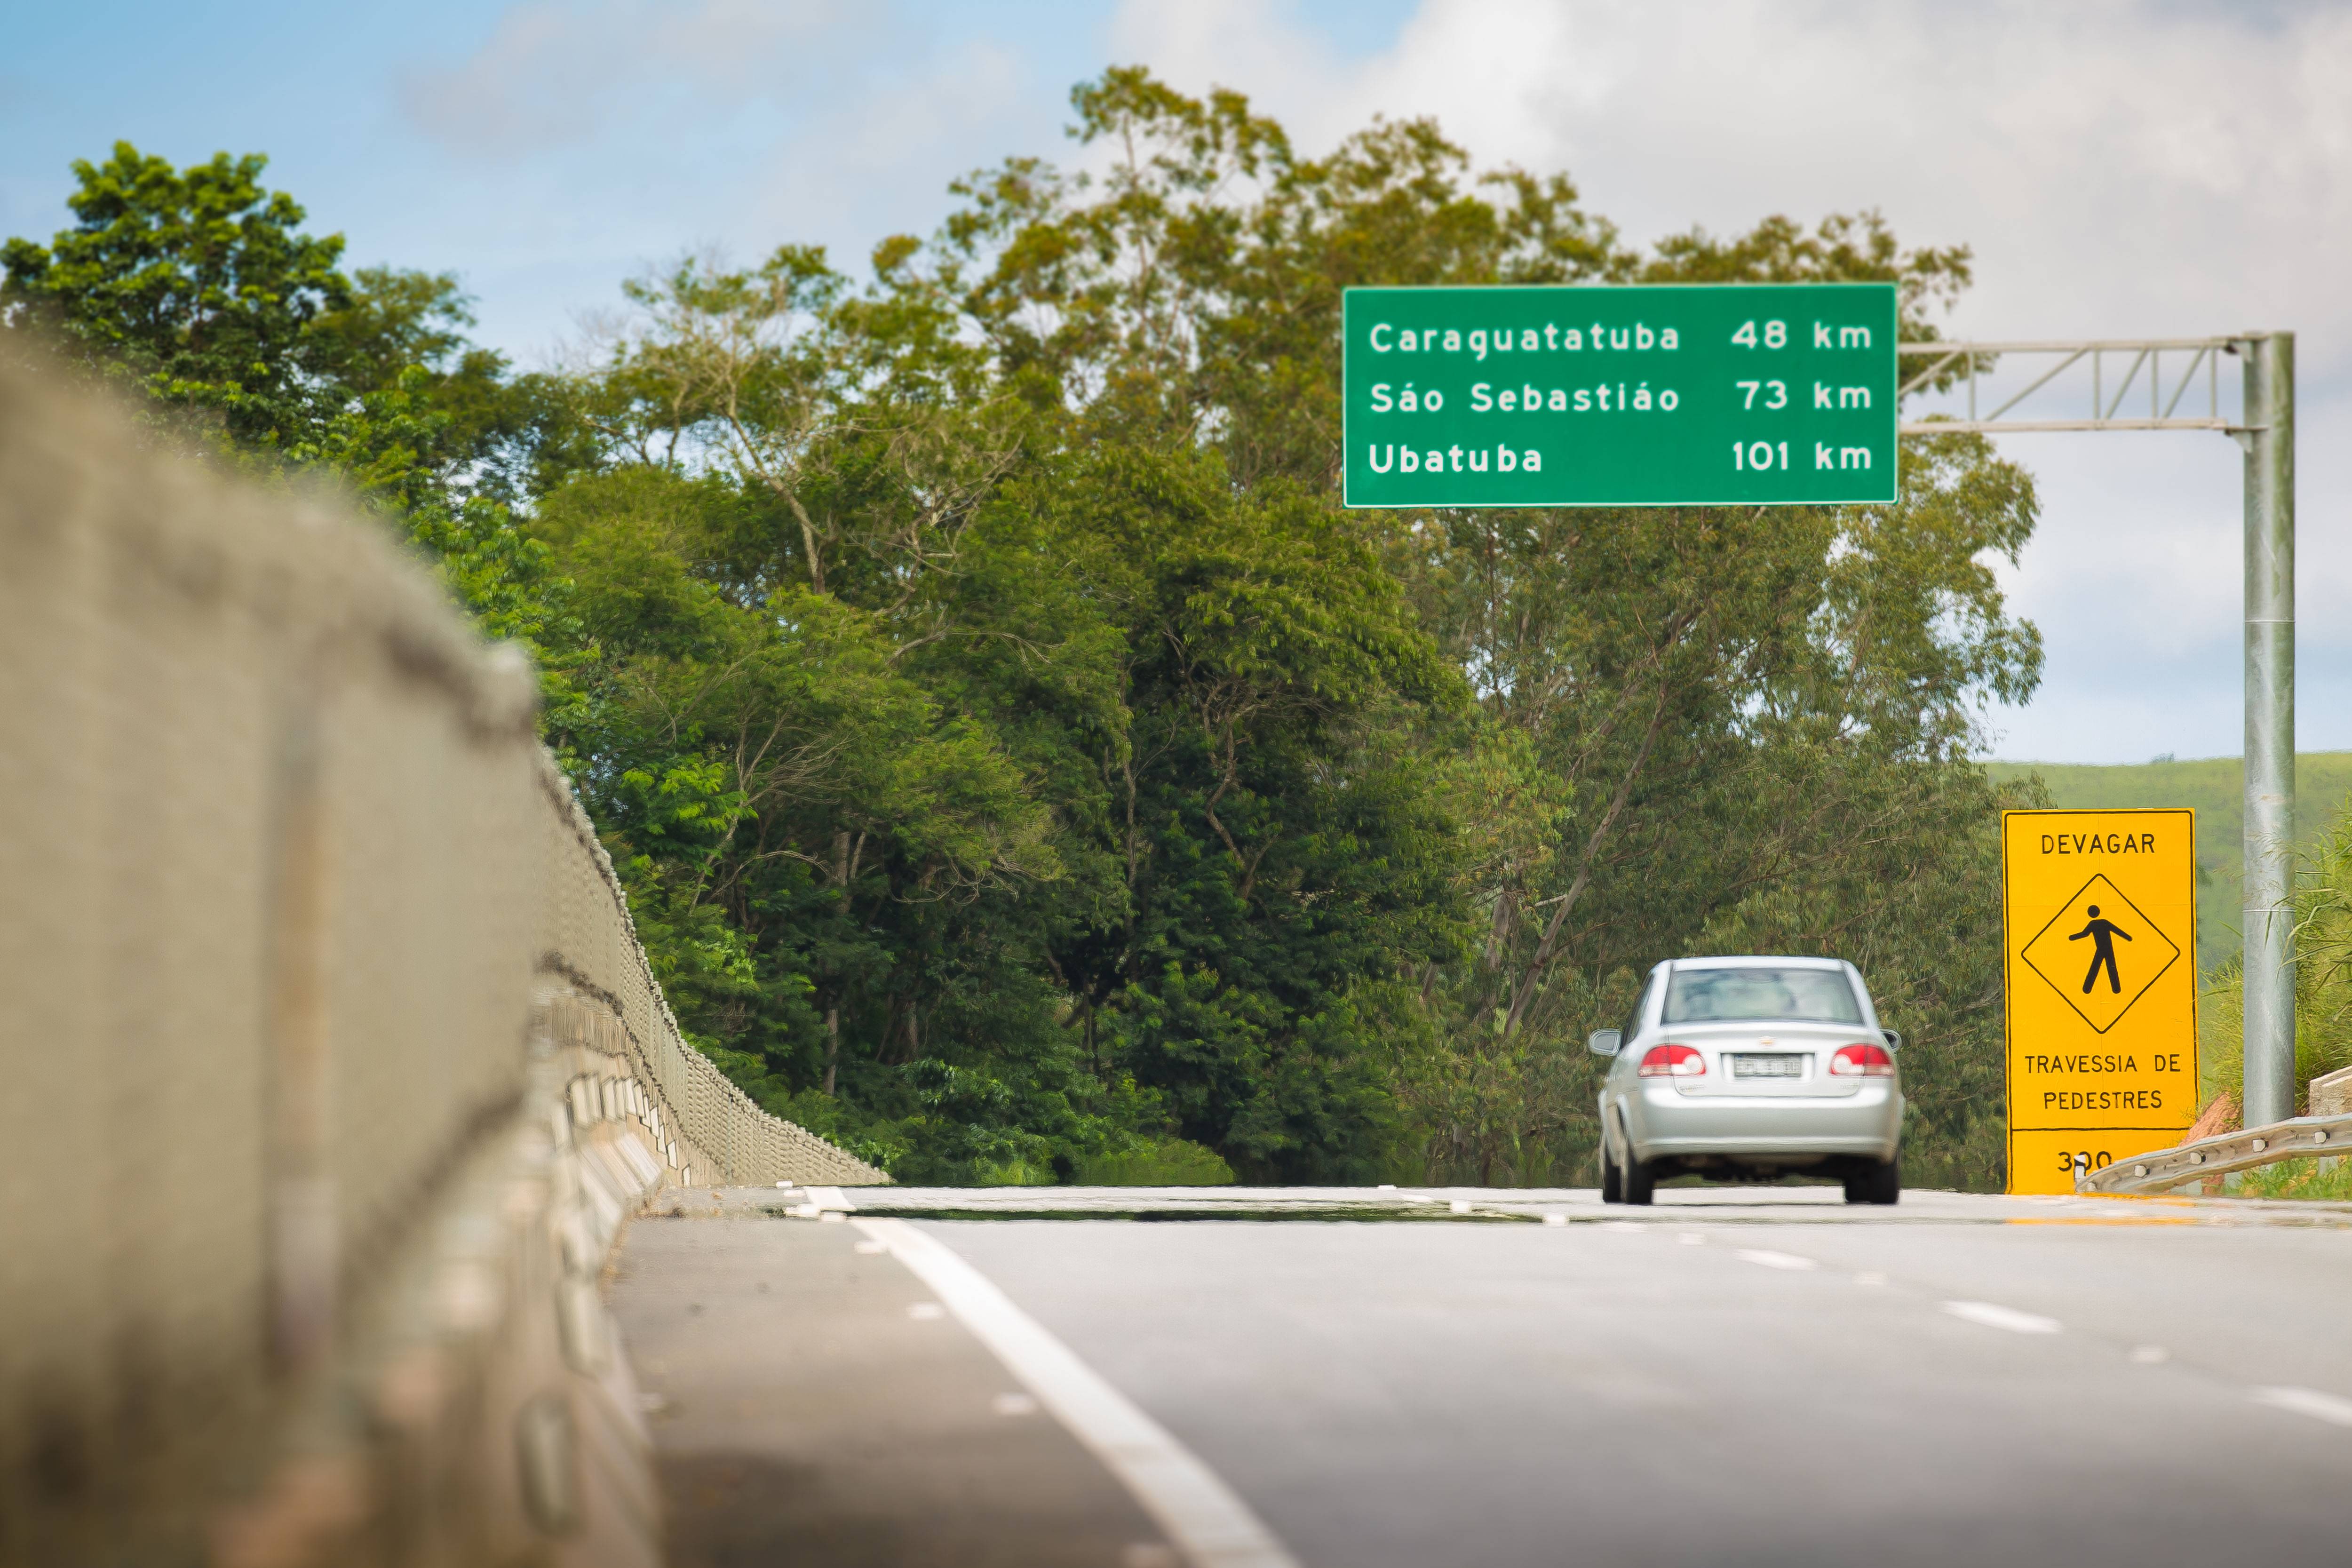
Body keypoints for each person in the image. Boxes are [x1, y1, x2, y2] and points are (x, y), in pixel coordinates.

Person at [2069, 904, 2131, 995]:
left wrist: (2072, 937)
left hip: (2102, 949)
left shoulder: (2093, 924)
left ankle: (2088, 988)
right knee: (2110, 967)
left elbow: (2084, 934)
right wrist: (2128, 938)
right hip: (2107, 949)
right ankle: (2115, 989)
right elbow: (2117, 930)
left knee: (2096, 967)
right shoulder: (2103, 922)